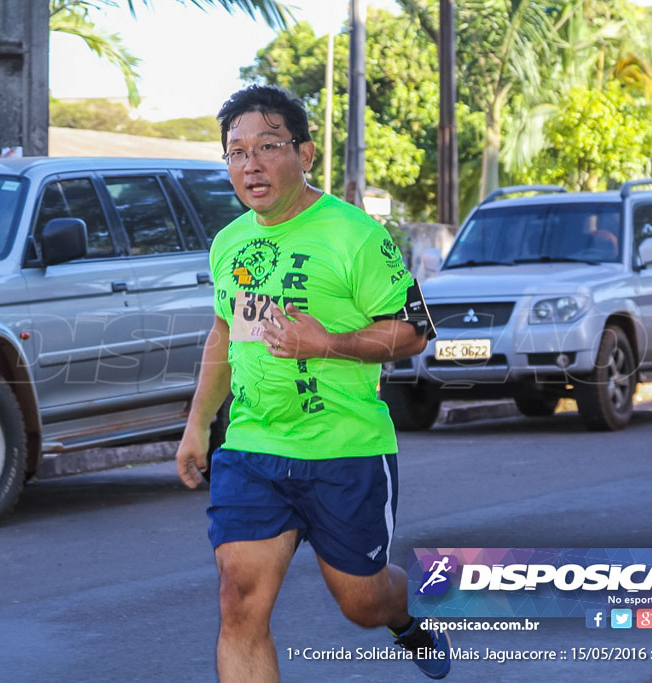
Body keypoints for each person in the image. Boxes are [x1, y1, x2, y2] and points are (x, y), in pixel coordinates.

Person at [175, 85, 450, 681]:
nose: (250, 164)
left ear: (304, 152)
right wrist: (198, 424)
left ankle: (403, 616)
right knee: (238, 604)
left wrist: (327, 344)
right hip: (253, 449)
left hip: (344, 450)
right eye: (236, 152)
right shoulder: (231, 243)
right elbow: (225, 331)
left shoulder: (355, 235)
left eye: (268, 146)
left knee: (362, 604)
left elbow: (412, 332)